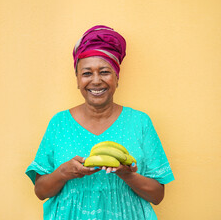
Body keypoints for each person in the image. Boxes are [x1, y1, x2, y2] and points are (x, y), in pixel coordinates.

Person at [25, 25, 175, 219]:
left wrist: (126, 174)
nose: (96, 81)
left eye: (104, 72)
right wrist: (64, 172)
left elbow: (157, 195)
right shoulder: (59, 123)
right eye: (87, 73)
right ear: (78, 80)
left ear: (116, 77)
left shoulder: (140, 122)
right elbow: (41, 191)